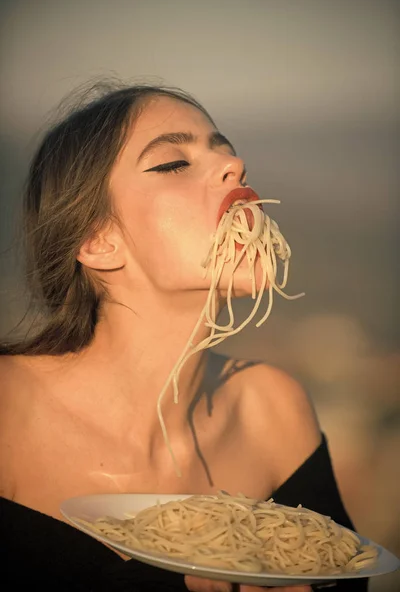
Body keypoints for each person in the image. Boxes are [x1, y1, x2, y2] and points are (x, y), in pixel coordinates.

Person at [0, 82, 368, 592]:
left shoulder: (271, 409)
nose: (235, 167)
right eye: (173, 163)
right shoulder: (7, 411)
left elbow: (343, 569)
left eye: (225, 150)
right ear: (98, 240)